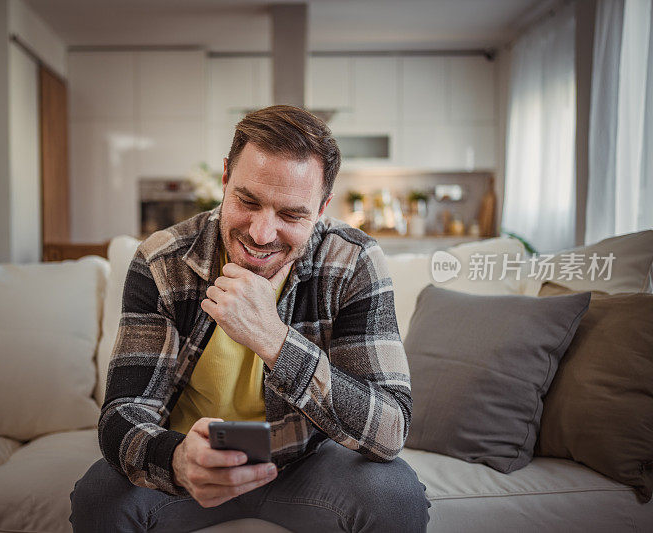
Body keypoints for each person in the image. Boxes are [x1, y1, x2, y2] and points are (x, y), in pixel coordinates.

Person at [70, 105, 431, 532]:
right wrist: (177, 459)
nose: (261, 234)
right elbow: (122, 413)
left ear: (322, 206)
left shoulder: (353, 261)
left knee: (397, 498)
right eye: (247, 200)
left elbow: (391, 427)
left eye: (292, 214)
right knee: (99, 497)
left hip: (305, 460)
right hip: (191, 455)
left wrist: (276, 341)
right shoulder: (162, 260)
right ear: (226, 178)